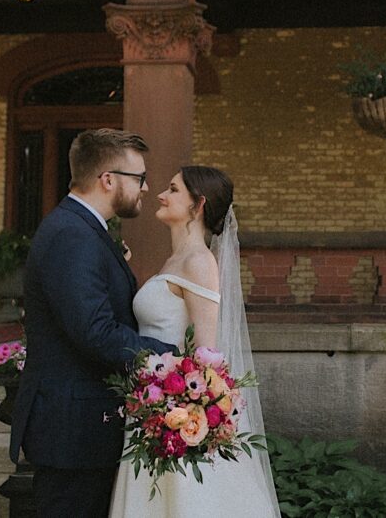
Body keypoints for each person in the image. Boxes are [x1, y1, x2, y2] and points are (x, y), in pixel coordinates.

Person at [9, 129, 176, 518]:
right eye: (139, 178)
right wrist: (173, 361)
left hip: (84, 423)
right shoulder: (72, 235)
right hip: (73, 428)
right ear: (108, 180)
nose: (147, 188)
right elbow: (95, 333)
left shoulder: (85, 231)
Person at [109, 166, 280, 517]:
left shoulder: (200, 262)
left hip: (176, 414)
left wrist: (179, 415)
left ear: (197, 205)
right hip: (153, 409)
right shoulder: (175, 260)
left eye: (173, 189)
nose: (160, 194)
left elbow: (207, 354)